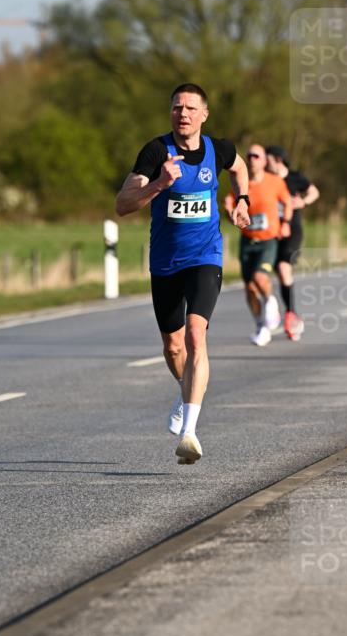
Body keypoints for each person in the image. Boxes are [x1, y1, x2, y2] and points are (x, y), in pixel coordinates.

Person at [115, 84, 250, 464]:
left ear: (204, 114)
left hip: (206, 257)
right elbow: (122, 204)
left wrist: (243, 200)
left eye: (191, 108)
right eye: (177, 108)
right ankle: (184, 389)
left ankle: (189, 432)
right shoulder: (156, 152)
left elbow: (240, 167)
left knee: (195, 336)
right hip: (165, 263)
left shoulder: (218, 149)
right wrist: (159, 184)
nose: (183, 114)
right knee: (173, 347)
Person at [224, 144, 292, 346]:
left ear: (264, 161)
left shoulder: (275, 181)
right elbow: (229, 201)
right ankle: (261, 325)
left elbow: (287, 203)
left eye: (257, 156)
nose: (252, 159)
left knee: (259, 277)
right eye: (249, 156)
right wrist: (229, 211)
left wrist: (286, 223)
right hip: (247, 239)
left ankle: (270, 301)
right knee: (250, 289)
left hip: (268, 240)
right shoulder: (241, 182)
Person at [265, 145, 320, 342]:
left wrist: (303, 202)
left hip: (292, 230)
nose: (264, 161)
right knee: (267, 274)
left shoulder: (295, 177)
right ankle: (274, 312)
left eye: (267, 158)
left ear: (278, 159)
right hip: (270, 231)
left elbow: (314, 192)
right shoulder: (266, 178)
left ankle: (291, 314)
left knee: (283, 267)